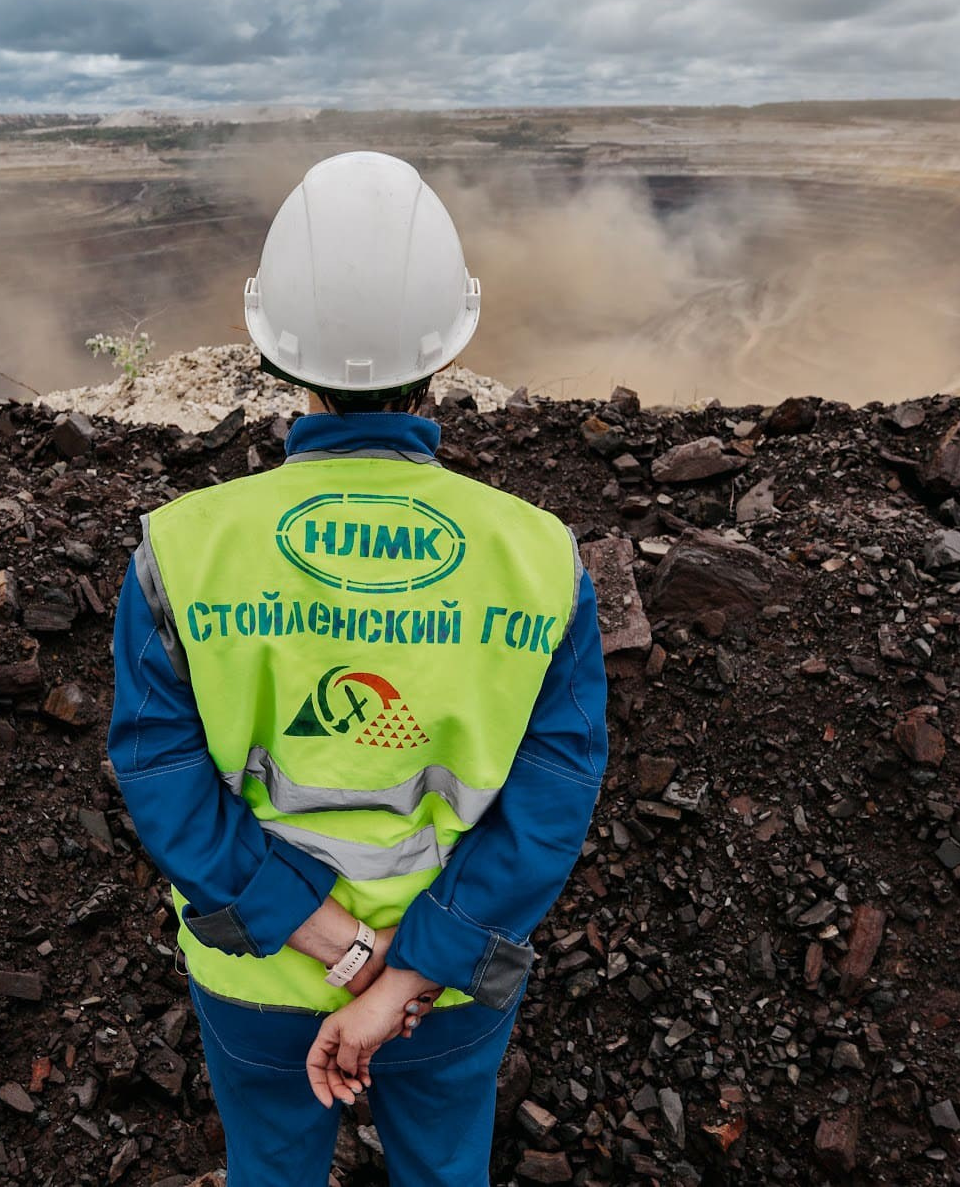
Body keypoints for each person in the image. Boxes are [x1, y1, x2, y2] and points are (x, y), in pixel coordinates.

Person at [108, 151, 609, 1185]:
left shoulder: (179, 549)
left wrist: (332, 946)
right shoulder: (540, 556)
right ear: (448, 345)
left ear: (276, 345)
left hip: (258, 973)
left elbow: (161, 777)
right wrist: (405, 971)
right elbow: (552, 797)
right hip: (447, 987)